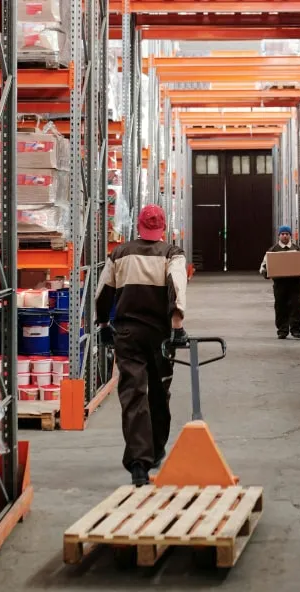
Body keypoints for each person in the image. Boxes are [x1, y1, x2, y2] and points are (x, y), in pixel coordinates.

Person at [95, 204, 188, 486]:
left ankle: (139, 462)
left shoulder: (119, 253)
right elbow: (177, 287)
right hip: (160, 335)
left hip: (128, 334)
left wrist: (102, 324)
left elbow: (104, 292)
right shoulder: (172, 254)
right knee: (159, 391)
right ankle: (156, 449)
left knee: (133, 393)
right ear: (163, 227)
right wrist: (178, 326)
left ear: (138, 226)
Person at [259, 225, 300, 339]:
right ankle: (282, 330)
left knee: (296, 306)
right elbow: (263, 267)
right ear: (279, 236)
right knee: (280, 307)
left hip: (294, 284)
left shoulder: (297, 249)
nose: (285, 236)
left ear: (290, 236)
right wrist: (266, 272)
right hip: (280, 284)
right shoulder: (273, 250)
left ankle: (295, 330)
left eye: (287, 234)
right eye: (282, 234)